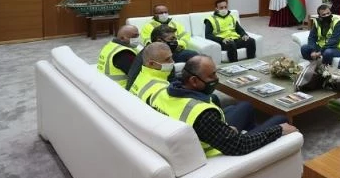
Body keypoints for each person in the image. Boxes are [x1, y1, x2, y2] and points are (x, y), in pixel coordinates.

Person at [152, 55, 299, 156]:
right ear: (194, 81)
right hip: (218, 150)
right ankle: (260, 142)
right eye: (211, 76)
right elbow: (239, 146)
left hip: (209, 135)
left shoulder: (164, 91)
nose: (216, 79)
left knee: (246, 105)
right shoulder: (203, 114)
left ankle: (256, 136)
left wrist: (224, 130)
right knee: (281, 119)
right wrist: (279, 130)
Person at [125, 25, 181, 90]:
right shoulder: (150, 57)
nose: (175, 42)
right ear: (159, 41)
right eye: (172, 39)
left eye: (175, 39)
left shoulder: (154, 52)